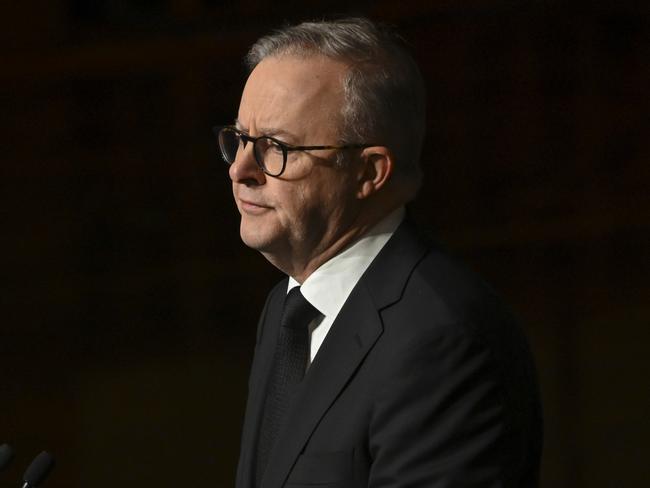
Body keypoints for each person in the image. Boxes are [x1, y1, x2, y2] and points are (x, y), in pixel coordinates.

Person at [217, 17, 542, 488]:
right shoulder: (289, 308)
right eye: (242, 139)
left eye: (276, 148)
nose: (240, 170)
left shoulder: (443, 341)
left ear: (370, 172)